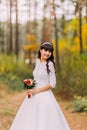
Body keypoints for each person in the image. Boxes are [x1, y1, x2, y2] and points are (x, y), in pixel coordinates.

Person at [10, 41, 70, 130]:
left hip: (44, 96)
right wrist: (30, 84)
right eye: (45, 50)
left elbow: (52, 84)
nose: (47, 53)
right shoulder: (37, 62)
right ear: (41, 50)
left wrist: (37, 91)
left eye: (49, 51)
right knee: (30, 119)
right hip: (33, 95)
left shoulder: (50, 64)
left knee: (44, 119)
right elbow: (37, 78)